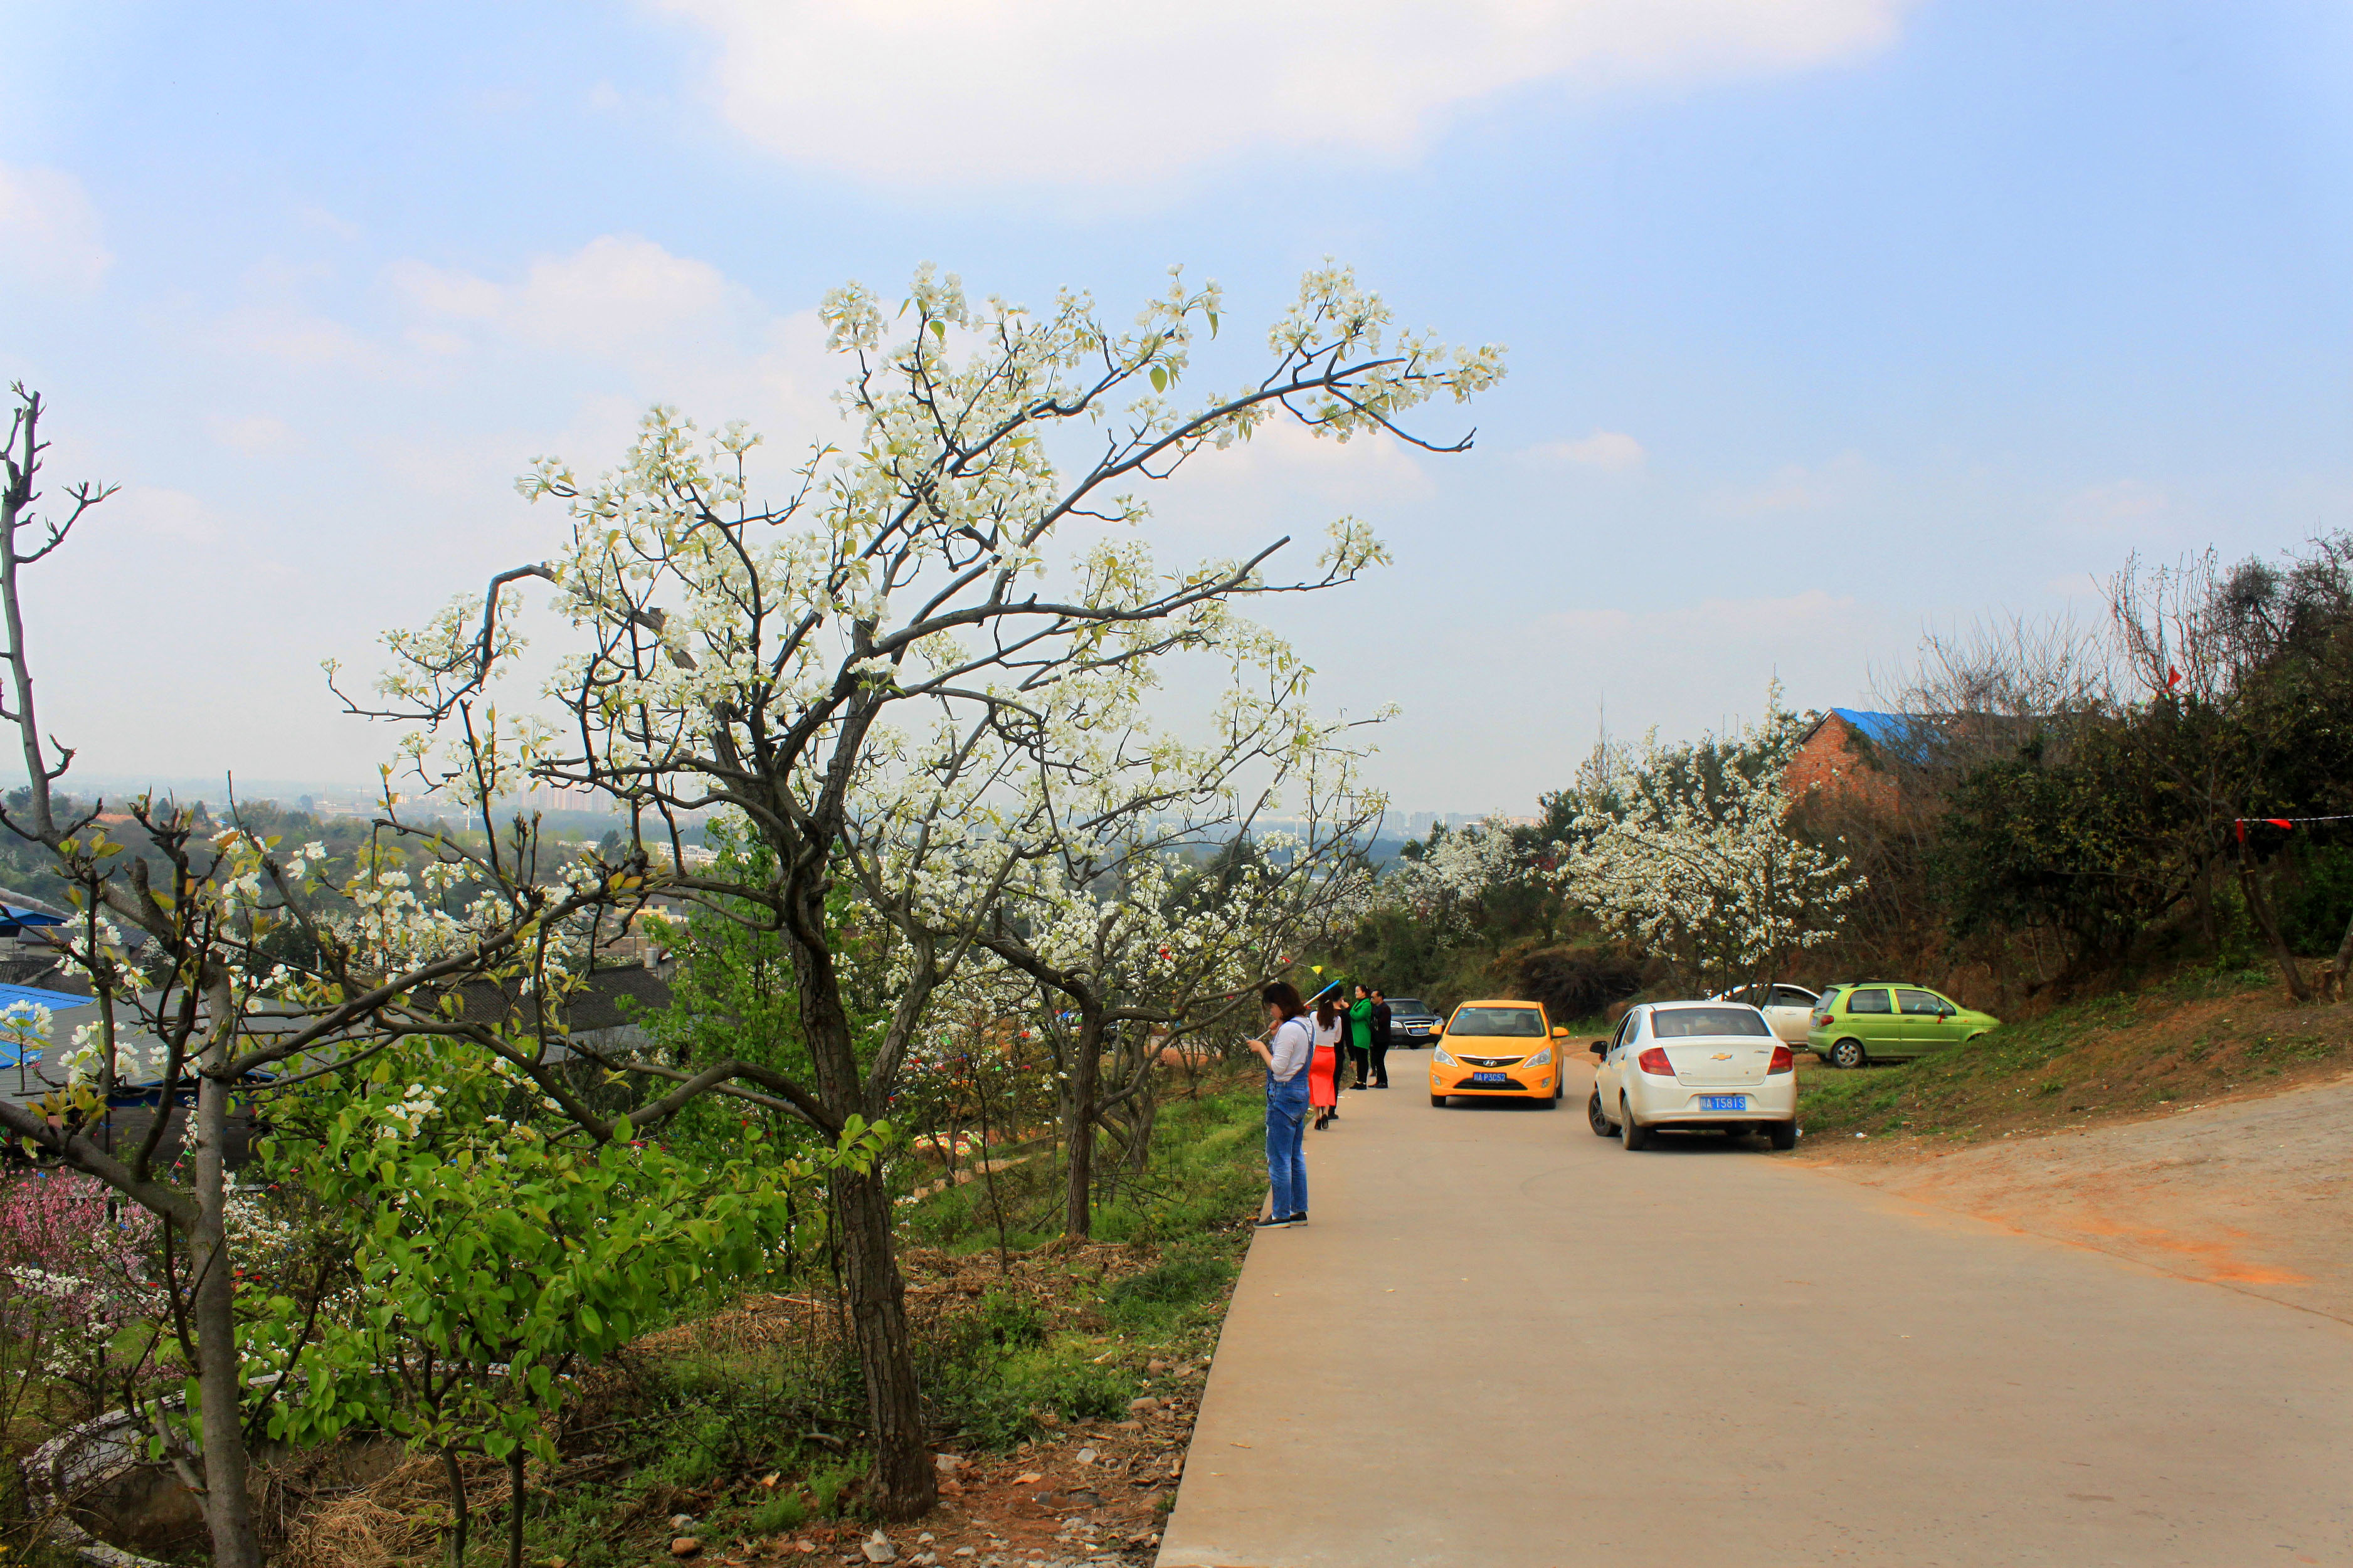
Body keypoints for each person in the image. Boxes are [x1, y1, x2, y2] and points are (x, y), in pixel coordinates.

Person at [1242, 981, 1313, 1228]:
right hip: (1300, 1093)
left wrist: (1262, 1047)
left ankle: (1280, 1214)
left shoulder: (1289, 1031)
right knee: (1294, 1155)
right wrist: (1279, 1031)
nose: (1270, 1012)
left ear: (1281, 1006)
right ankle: (1298, 1210)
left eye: (1272, 1007)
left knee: (1278, 1157)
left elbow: (1279, 1068)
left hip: (1283, 1096)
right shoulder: (1304, 1024)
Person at [1308, 988, 1345, 1129]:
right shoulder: (1337, 1019)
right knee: (1328, 1084)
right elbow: (1338, 1039)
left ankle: (1317, 1116)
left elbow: (1310, 1033)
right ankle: (1326, 1113)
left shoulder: (1313, 1016)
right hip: (1329, 1055)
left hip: (1316, 1054)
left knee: (1315, 1085)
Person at [1346, 984, 1375, 1089]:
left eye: (1358, 991)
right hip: (1356, 1035)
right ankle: (1359, 1081)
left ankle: (1363, 1082)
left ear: (1364, 993)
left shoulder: (1367, 1005)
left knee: (1363, 1058)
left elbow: (1357, 1016)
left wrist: (1348, 1008)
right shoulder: (1359, 1003)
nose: (1356, 993)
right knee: (1359, 1059)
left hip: (1362, 1034)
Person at [1368, 988, 1393, 1088]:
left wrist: (1375, 1016)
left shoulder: (1385, 1008)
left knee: (1380, 1060)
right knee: (1376, 1060)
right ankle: (1379, 1081)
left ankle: (1384, 1081)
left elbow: (1381, 1022)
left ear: (1380, 998)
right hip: (1376, 1038)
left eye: (1373, 998)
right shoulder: (1375, 1008)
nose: (1372, 1000)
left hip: (1383, 1038)